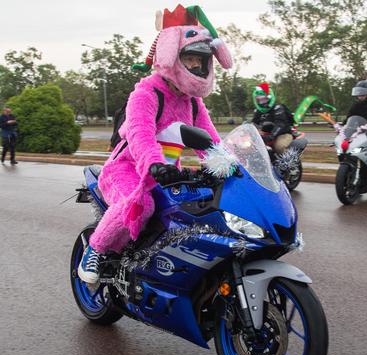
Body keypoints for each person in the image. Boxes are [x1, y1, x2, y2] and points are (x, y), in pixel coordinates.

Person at [78, 4, 233, 284]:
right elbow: (140, 134)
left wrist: (229, 164)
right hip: (128, 169)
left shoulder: (193, 102)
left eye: (202, 61)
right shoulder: (146, 92)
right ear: (172, 56)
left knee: (200, 211)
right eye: (191, 60)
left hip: (166, 174)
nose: (198, 67)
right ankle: (96, 250)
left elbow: (210, 139)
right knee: (141, 205)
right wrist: (154, 165)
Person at [251, 83, 295, 154]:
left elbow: (280, 124)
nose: (262, 102)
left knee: (280, 146)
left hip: (282, 134)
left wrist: (271, 136)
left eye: (264, 99)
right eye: (259, 100)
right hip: (264, 135)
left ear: (269, 97)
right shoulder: (258, 111)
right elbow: (254, 123)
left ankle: (289, 164)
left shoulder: (278, 108)